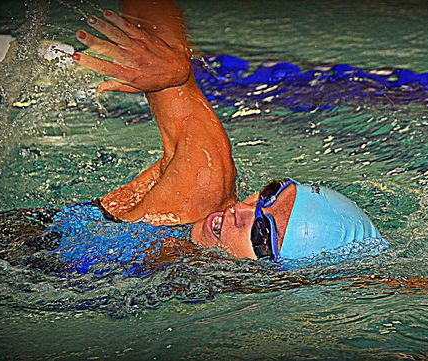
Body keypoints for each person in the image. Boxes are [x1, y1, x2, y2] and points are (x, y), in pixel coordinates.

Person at [70, 0, 383, 263]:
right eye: (267, 195)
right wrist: (174, 64)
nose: (239, 212)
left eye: (262, 233)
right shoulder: (199, 186)